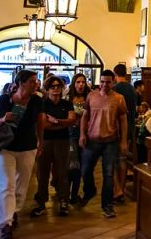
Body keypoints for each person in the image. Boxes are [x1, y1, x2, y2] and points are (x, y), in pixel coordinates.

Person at [0, 70, 44, 239]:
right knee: (7, 184)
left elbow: (40, 122)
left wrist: (40, 141)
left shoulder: (37, 101)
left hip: (28, 148)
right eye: (33, 81)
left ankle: (14, 211)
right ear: (21, 83)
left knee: (22, 185)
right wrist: (3, 119)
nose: (36, 83)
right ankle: (6, 223)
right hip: (5, 147)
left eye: (36, 81)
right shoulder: (5, 100)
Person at [79, 69, 128, 219]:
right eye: (102, 81)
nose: (104, 84)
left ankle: (107, 206)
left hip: (110, 141)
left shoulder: (119, 98)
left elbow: (123, 121)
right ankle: (90, 190)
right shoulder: (91, 96)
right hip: (92, 140)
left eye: (107, 82)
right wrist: (82, 134)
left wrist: (124, 141)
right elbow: (85, 117)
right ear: (99, 82)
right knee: (85, 170)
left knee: (108, 175)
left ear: (113, 82)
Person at [29, 76, 76, 218]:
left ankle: (63, 201)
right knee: (42, 173)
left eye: (58, 86)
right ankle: (41, 202)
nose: (56, 88)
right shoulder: (42, 104)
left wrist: (55, 121)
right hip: (45, 141)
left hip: (63, 141)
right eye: (53, 86)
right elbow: (42, 125)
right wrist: (62, 123)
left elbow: (72, 120)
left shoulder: (67, 104)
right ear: (47, 89)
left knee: (62, 172)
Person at [111, 64, 137, 204]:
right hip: (130, 128)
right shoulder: (132, 89)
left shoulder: (115, 89)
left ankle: (117, 190)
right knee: (123, 159)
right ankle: (120, 188)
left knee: (114, 159)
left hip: (116, 128)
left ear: (115, 74)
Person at [67, 73, 89, 204]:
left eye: (83, 82)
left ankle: (74, 193)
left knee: (82, 166)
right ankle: (67, 193)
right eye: (78, 82)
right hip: (70, 135)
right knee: (73, 165)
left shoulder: (89, 98)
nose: (81, 84)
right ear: (74, 84)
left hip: (86, 135)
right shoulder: (68, 99)